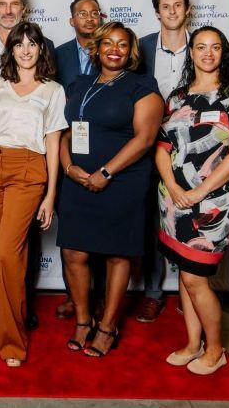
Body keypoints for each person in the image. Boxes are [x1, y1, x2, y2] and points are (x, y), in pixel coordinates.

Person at [0, 21, 68, 367]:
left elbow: (53, 142)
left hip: (28, 169)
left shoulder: (53, 90)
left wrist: (51, 193)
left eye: (32, 44)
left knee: (10, 255)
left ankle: (13, 339)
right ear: (10, 50)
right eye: (18, 44)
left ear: (41, 49)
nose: (25, 50)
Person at [58, 22, 163, 357]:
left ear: (130, 51)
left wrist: (105, 171)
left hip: (122, 181)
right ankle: (84, 320)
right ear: (97, 48)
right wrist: (67, 166)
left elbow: (145, 139)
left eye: (122, 44)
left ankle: (107, 326)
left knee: (119, 254)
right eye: (108, 44)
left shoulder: (142, 85)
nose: (114, 49)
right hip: (76, 180)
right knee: (74, 252)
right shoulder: (81, 83)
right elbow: (64, 131)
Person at [156, 26, 229, 375]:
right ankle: (192, 343)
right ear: (192, 53)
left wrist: (198, 192)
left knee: (197, 278)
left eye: (215, 47)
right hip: (173, 201)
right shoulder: (178, 97)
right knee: (185, 276)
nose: (208, 53)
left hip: (214, 204)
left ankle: (215, 350)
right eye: (201, 47)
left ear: (222, 53)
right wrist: (173, 186)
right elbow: (163, 147)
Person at [0, 0, 56, 331]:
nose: (8, 10)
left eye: (14, 4)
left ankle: (18, 313)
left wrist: (51, 192)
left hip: (29, 165)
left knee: (15, 249)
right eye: (2, 4)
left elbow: (52, 134)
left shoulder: (49, 75)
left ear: (24, 8)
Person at [137, 0, 192, 323]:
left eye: (178, 5)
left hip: (192, 150)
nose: (172, 11)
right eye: (166, 6)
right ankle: (153, 292)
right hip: (149, 146)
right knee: (148, 221)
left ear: (187, 10)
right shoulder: (141, 48)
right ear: (157, 12)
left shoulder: (204, 46)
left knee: (190, 218)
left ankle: (192, 291)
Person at [53, 0, 106, 320]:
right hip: (66, 146)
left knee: (101, 231)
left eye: (93, 13)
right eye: (80, 13)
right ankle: (74, 296)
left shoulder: (114, 51)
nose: (87, 18)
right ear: (71, 21)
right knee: (71, 232)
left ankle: (97, 298)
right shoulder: (57, 55)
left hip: (103, 148)